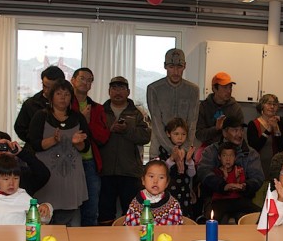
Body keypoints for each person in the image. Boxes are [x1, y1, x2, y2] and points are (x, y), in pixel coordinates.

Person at [28, 79, 90, 226]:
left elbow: (86, 148)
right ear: (51, 97)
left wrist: (77, 142)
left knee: (70, 223)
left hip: (71, 176)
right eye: (59, 93)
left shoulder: (78, 117)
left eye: (67, 94)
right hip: (46, 176)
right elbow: (34, 144)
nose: (63, 97)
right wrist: (53, 140)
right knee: (44, 220)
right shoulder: (41, 116)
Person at [98, 76, 151, 226]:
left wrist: (127, 129)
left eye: (121, 88)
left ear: (128, 91)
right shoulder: (101, 111)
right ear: (109, 91)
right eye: (114, 88)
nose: (118, 92)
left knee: (131, 212)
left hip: (130, 171)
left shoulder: (137, 113)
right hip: (105, 171)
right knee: (105, 212)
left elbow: (146, 136)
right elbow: (94, 135)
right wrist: (110, 130)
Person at [197, 117, 264, 218]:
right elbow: (203, 172)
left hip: (242, 199)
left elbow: (258, 177)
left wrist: (245, 186)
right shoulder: (210, 151)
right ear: (224, 133)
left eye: (241, 130)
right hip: (215, 200)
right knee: (213, 221)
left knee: (260, 218)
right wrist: (222, 185)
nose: (240, 134)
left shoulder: (251, 153)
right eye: (235, 130)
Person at [70, 67, 110, 226]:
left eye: (90, 80)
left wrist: (87, 123)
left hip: (90, 162)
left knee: (91, 209)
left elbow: (103, 137)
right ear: (73, 80)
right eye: (82, 78)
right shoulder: (64, 105)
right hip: (69, 162)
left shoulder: (97, 108)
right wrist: (82, 120)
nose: (86, 82)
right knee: (66, 208)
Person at [147, 48, 199, 159]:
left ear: (184, 66)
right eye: (171, 67)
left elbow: (192, 123)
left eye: (179, 67)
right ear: (165, 66)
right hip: (159, 149)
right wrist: (172, 149)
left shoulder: (193, 90)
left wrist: (184, 150)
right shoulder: (154, 89)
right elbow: (157, 124)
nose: (175, 72)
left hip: (184, 151)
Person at [202, 141, 260, 223]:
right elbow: (215, 186)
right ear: (219, 157)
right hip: (220, 202)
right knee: (214, 217)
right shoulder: (216, 172)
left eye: (231, 156)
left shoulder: (239, 170)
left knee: (257, 211)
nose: (228, 159)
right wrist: (224, 178)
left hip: (236, 200)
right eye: (224, 155)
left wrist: (239, 179)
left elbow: (242, 186)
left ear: (235, 157)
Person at [247, 93, 283, 207]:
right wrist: (268, 130)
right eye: (268, 103)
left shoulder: (280, 124)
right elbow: (254, 146)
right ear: (262, 106)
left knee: (274, 202)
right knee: (258, 202)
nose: (272, 106)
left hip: (275, 167)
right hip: (258, 166)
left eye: (274, 104)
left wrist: (276, 129)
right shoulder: (253, 124)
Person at [14, 65, 65, 143]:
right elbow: (20, 128)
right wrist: (36, 140)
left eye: (51, 88)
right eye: (45, 86)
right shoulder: (30, 104)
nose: (47, 90)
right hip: (35, 150)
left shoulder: (67, 104)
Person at [157, 117, 195, 218]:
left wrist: (189, 161)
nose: (180, 138)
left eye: (183, 134)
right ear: (168, 134)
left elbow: (192, 174)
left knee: (184, 216)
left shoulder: (187, 150)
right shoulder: (164, 150)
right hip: (169, 191)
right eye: (176, 134)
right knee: (169, 216)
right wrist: (172, 158)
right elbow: (162, 172)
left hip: (184, 192)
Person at [196, 72, 244, 148]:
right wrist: (216, 128)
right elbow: (199, 135)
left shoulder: (235, 108)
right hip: (208, 148)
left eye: (230, 87)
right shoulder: (204, 107)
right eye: (225, 87)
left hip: (230, 149)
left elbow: (240, 135)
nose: (229, 91)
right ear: (214, 89)